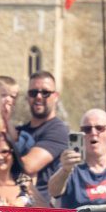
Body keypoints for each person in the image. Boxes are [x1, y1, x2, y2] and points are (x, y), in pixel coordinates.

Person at [15, 71, 71, 201]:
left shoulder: (58, 130)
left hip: (40, 210)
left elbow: (28, 166)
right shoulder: (20, 130)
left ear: (56, 96)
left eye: (45, 93)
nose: (39, 97)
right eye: (33, 93)